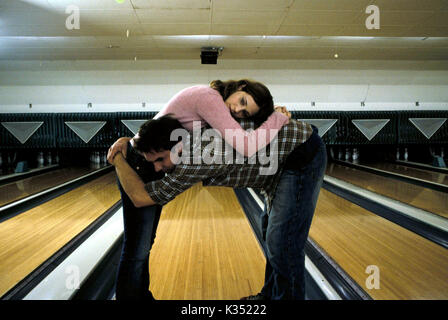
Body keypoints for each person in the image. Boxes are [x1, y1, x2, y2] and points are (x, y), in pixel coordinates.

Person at [109, 113, 326, 300]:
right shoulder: (182, 133)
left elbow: (141, 197)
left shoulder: (197, 158)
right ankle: (270, 295)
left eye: (160, 159)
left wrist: (117, 158)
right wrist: (130, 141)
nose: (157, 168)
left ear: (177, 147)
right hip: (276, 163)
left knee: (283, 243)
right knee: (271, 232)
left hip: (299, 155)